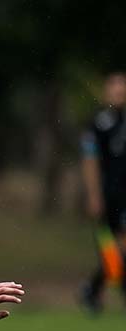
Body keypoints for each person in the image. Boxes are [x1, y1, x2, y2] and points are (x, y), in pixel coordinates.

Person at [79, 72, 126, 314]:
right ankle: (93, 289)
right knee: (112, 252)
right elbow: (90, 160)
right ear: (107, 93)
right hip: (109, 195)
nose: (119, 92)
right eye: (115, 88)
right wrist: (94, 195)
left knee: (119, 250)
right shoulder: (98, 123)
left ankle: (93, 289)